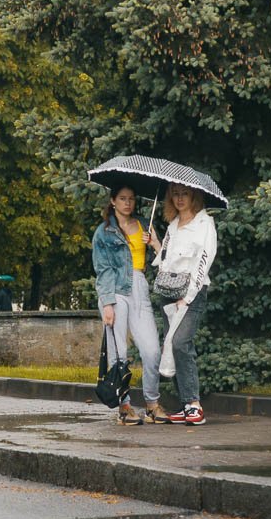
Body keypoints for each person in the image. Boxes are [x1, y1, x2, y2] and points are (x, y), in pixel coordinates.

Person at [92, 185, 165, 425]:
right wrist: (107, 304)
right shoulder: (104, 232)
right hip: (116, 291)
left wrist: (154, 242)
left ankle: (152, 404)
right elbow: (102, 270)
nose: (127, 203)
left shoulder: (146, 224)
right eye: (122, 199)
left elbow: (163, 260)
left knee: (152, 350)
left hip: (140, 287)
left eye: (131, 199)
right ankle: (124, 407)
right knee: (119, 353)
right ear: (113, 201)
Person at [148, 182, 217, 426]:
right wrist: (156, 243)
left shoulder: (204, 224)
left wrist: (187, 296)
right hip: (169, 293)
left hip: (192, 294)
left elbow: (203, 261)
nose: (179, 198)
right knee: (171, 347)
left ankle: (194, 405)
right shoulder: (173, 226)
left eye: (184, 193)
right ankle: (185, 406)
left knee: (180, 343)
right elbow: (165, 261)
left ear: (194, 196)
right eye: (175, 194)